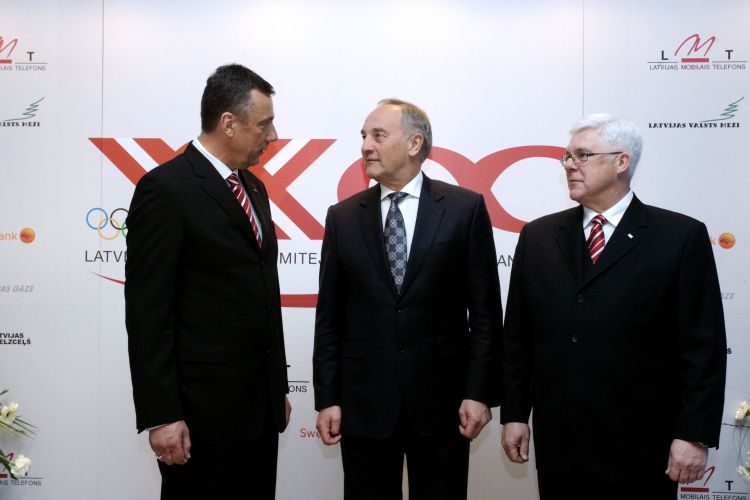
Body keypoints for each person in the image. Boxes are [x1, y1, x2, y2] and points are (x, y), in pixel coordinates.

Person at [500, 114, 727, 498]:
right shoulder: (538, 237)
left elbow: (702, 347)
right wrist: (515, 414)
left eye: (583, 155)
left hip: (642, 446)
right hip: (560, 446)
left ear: (622, 162)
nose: (569, 165)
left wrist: (693, 434)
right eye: (567, 156)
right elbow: (518, 338)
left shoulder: (680, 237)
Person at [313, 99, 503, 500]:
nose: (366, 145)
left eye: (378, 135)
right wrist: (327, 398)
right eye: (364, 136)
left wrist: (478, 392)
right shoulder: (342, 217)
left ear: (415, 143)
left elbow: (485, 314)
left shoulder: (464, 209)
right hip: (364, 405)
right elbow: (329, 317)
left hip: (443, 403)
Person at [125, 64, 291, 500]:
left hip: (258, 412)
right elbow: (147, 312)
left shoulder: (254, 188)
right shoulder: (165, 189)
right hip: (200, 417)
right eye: (264, 124)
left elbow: (260, 293)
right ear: (229, 123)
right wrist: (162, 415)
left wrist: (274, 387)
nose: (273, 135)